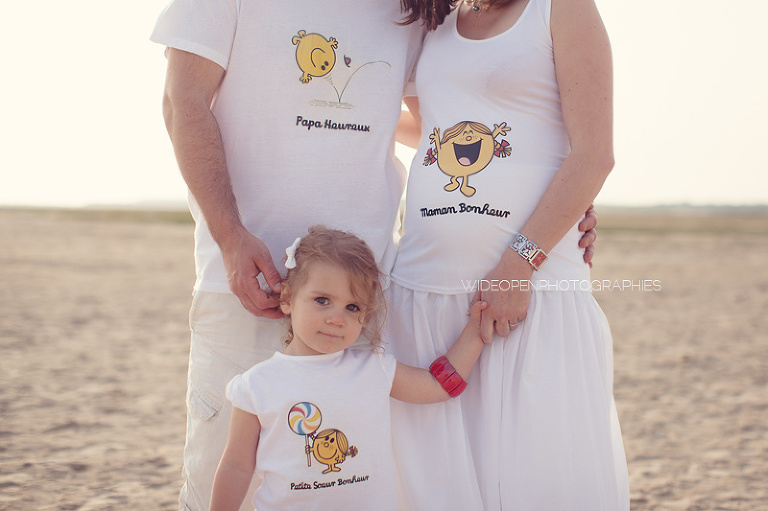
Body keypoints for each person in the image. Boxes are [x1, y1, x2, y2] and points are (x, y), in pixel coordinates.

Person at [150, 1, 597, 509]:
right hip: (249, 281)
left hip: (364, 301)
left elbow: (440, 120)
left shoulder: (410, 7)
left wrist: (555, 199)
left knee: (341, 488)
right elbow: (182, 102)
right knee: (224, 476)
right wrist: (230, 236)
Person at [389, 0, 629, 509]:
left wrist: (519, 264)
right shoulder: (437, 21)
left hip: (527, 296)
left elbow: (594, 154)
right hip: (424, 295)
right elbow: (433, 129)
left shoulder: (560, 9)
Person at [209, 226, 488, 511]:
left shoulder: (373, 370)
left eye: (352, 307)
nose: (337, 319)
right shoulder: (257, 385)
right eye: (322, 301)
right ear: (287, 298)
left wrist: (477, 330)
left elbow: (438, 386)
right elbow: (236, 466)